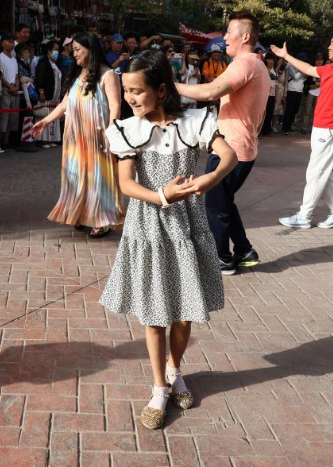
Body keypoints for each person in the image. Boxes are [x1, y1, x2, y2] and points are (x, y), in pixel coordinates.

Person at [99, 50, 237, 430]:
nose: (130, 98)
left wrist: (209, 179)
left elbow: (229, 154)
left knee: (184, 309)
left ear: (161, 90)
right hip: (149, 227)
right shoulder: (128, 129)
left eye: (137, 91)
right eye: (126, 91)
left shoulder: (195, 122)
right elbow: (127, 184)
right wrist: (162, 195)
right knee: (155, 312)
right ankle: (159, 388)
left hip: (187, 227)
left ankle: (176, 371)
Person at [176, 12, 270, 275]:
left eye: (229, 32)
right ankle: (244, 250)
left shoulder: (244, 64)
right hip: (243, 147)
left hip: (232, 149)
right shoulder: (257, 64)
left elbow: (210, 91)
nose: (225, 37)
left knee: (215, 205)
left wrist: (174, 86)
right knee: (224, 200)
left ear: (246, 37)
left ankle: (222, 259)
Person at [31, 32, 124, 238]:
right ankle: (82, 214)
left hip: (98, 137)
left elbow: (115, 106)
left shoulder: (108, 75)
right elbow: (64, 103)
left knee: (98, 177)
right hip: (75, 138)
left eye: (78, 50)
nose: (74, 55)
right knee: (76, 176)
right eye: (73, 51)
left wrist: (111, 132)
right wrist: (46, 121)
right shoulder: (76, 75)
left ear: (91, 50)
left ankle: (101, 219)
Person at [271, 32, 333, 229]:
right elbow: (309, 69)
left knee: (316, 172)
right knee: (323, 172)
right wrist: (286, 56)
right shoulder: (327, 67)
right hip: (322, 126)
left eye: (332, 43)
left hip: (331, 126)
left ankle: (304, 216)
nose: (329, 46)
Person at [34, 39, 63, 148]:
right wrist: (41, 92)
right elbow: (39, 79)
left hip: (55, 97)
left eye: (58, 50)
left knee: (53, 116)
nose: (57, 52)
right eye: (55, 50)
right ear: (49, 51)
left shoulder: (56, 63)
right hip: (46, 95)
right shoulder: (43, 62)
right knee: (44, 115)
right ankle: (43, 139)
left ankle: (52, 138)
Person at [0, 32, 20, 149]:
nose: (11, 44)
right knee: (4, 117)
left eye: (12, 42)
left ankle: (7, 141)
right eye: (9, 42)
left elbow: (16, 75)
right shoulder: (0, 58)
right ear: (2, 43)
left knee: (13, 117)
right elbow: (0, 76)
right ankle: (0, 142)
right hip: (5, 90)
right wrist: (11, 88)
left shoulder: (14, 59)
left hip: (14, 89)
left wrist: (16, 87)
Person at [281, 52, 308, 135]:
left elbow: (304, 79)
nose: (303, 62)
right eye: (302, 60)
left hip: (299, 91)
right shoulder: (290, 65)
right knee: (289, 110)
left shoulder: (301, 67)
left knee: (295, 110)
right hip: (292, 90)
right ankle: (285, 128)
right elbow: (296, 77)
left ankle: (289, 127)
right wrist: (301, 70)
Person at [300, 54, 323, 134]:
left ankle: (315, 128)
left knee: (317, 112)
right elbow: (306, 81)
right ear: (315, 61)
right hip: (310, 92)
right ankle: (304, 128)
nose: (319, 61)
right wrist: (316, 83)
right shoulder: (311, 69)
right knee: (307, 111)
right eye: (317, 60)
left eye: (320, 60)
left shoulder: (324, 69)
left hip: (320, 94)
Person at [260, 55, 277, 136]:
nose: (270, 61)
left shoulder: (275, 71)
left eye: (272, 60)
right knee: (262, 113)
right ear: (266, 60)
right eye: (269, 60)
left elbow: (275, 83)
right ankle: (259, 130)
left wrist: (276, 95)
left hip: (272, 94)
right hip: (263, 94)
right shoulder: (262, 69)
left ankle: (267, 130)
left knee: (269, 112)